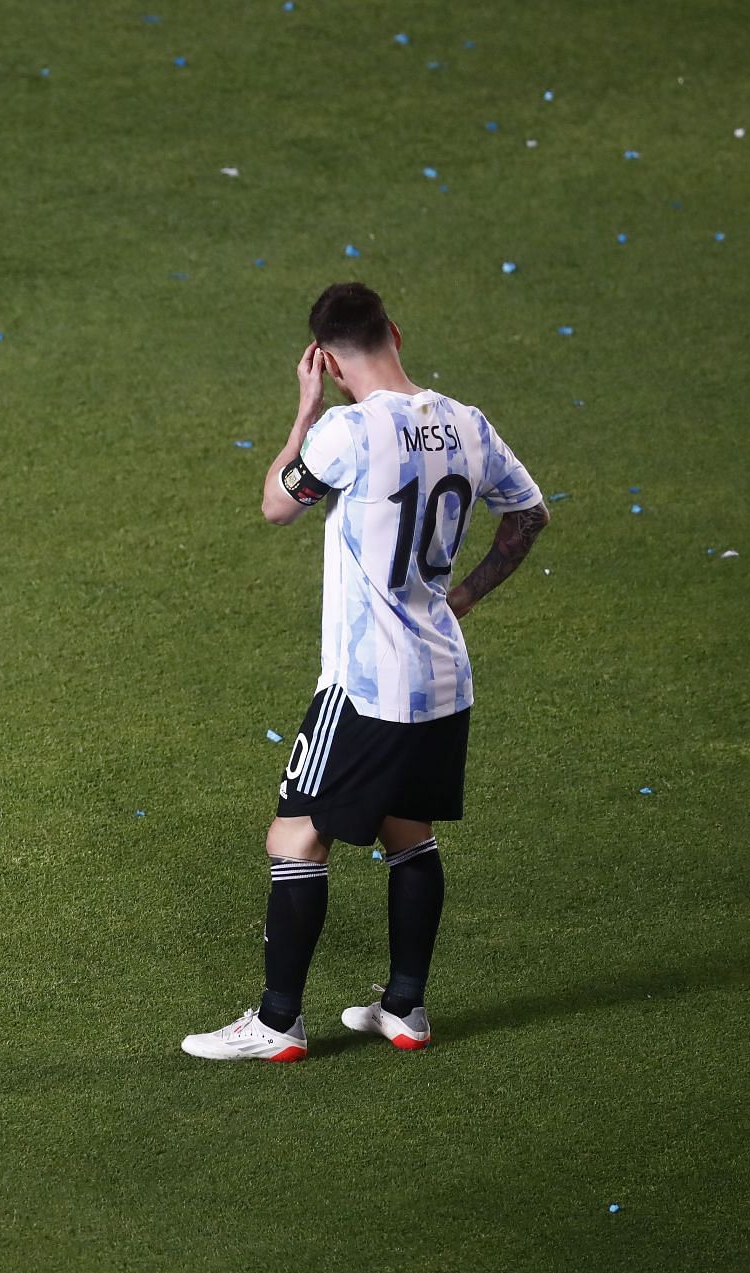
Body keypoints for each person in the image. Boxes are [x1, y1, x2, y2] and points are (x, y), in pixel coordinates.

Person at [181, 282, 550, 1063]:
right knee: (407, 831)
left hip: (367, 686)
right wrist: (466, 598)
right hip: (444, 679)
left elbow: (277, 506)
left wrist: (304, 412)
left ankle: (278, 1021)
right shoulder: (467, 423)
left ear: (330, 362)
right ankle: (405, 1008)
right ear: (396, 332)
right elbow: (528, 515)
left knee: (293, 837)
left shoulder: (346, 432)